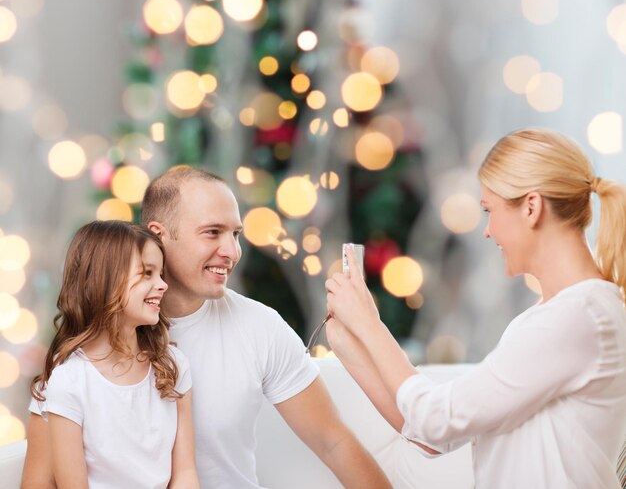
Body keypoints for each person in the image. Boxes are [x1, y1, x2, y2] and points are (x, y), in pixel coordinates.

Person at [22, 168, 390, 489]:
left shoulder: (258, 326)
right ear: (159, 235)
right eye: (212, 232)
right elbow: (41, 480)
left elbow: (333, 442)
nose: (232, 251)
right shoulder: (77, 365)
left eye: (236, 234)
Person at [325, 128, 626, 488]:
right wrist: (350, 346)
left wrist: (369, 324)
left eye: (489, 210)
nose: (487, 231)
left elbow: (436, 419)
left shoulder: (580, 316)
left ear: (531, 207)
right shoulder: (548, 318)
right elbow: (431, 435)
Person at [24, 221, 199, 489]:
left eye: (161, 274)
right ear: (104, 282)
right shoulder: (70, 381)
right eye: (147, 273)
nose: (163, 285)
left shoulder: (172, 365)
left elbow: (185, 473)